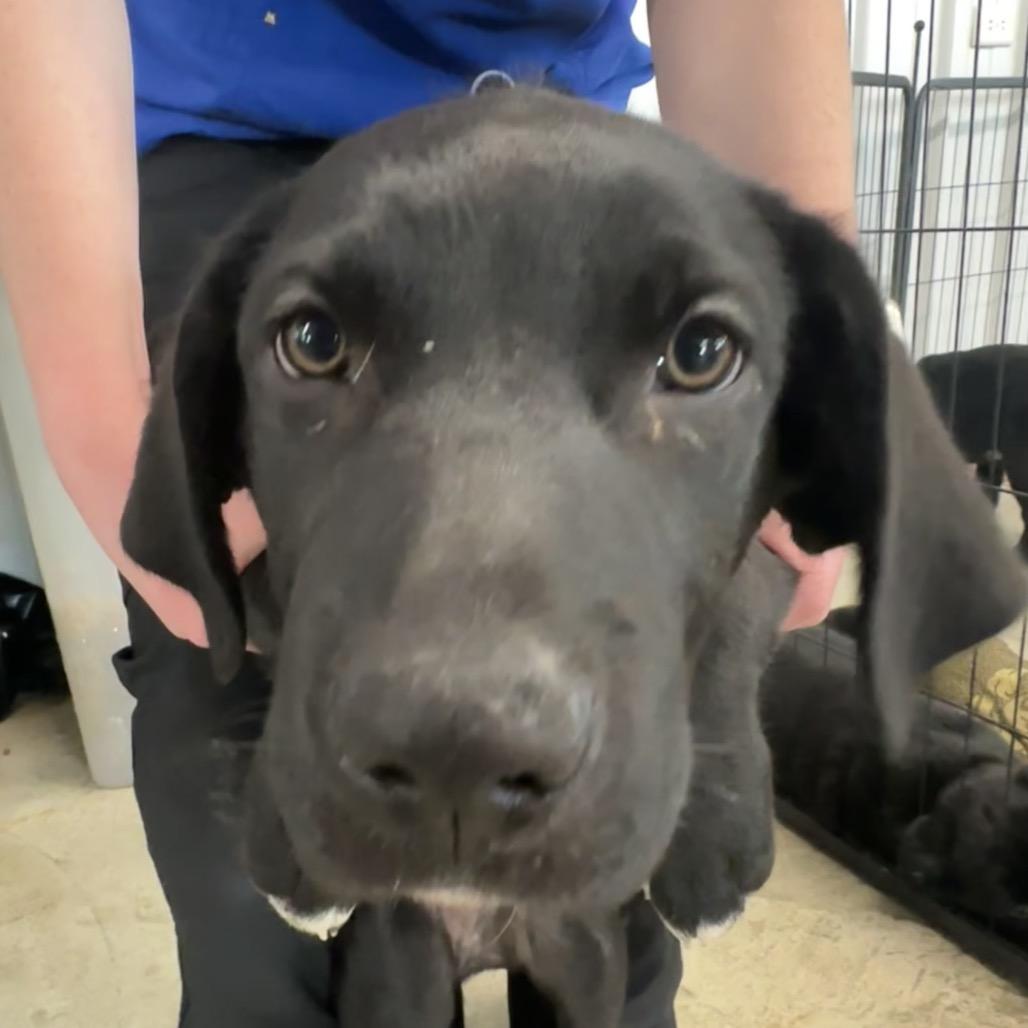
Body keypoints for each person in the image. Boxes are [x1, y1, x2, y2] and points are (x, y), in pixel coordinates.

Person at [0, 3, 855, 1025]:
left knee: (613, 732)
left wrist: (796, 361)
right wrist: (98, 399)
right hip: (225, 134)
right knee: (220, 676)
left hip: (564, 143)